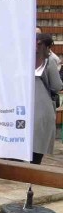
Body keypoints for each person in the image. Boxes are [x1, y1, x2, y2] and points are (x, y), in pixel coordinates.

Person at [33, 34, 63, 164]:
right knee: (37, 148)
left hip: (22, 106)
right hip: (41, 106)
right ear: (47, 47)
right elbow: (56, 85)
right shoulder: (48, 60)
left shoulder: (22, 58)